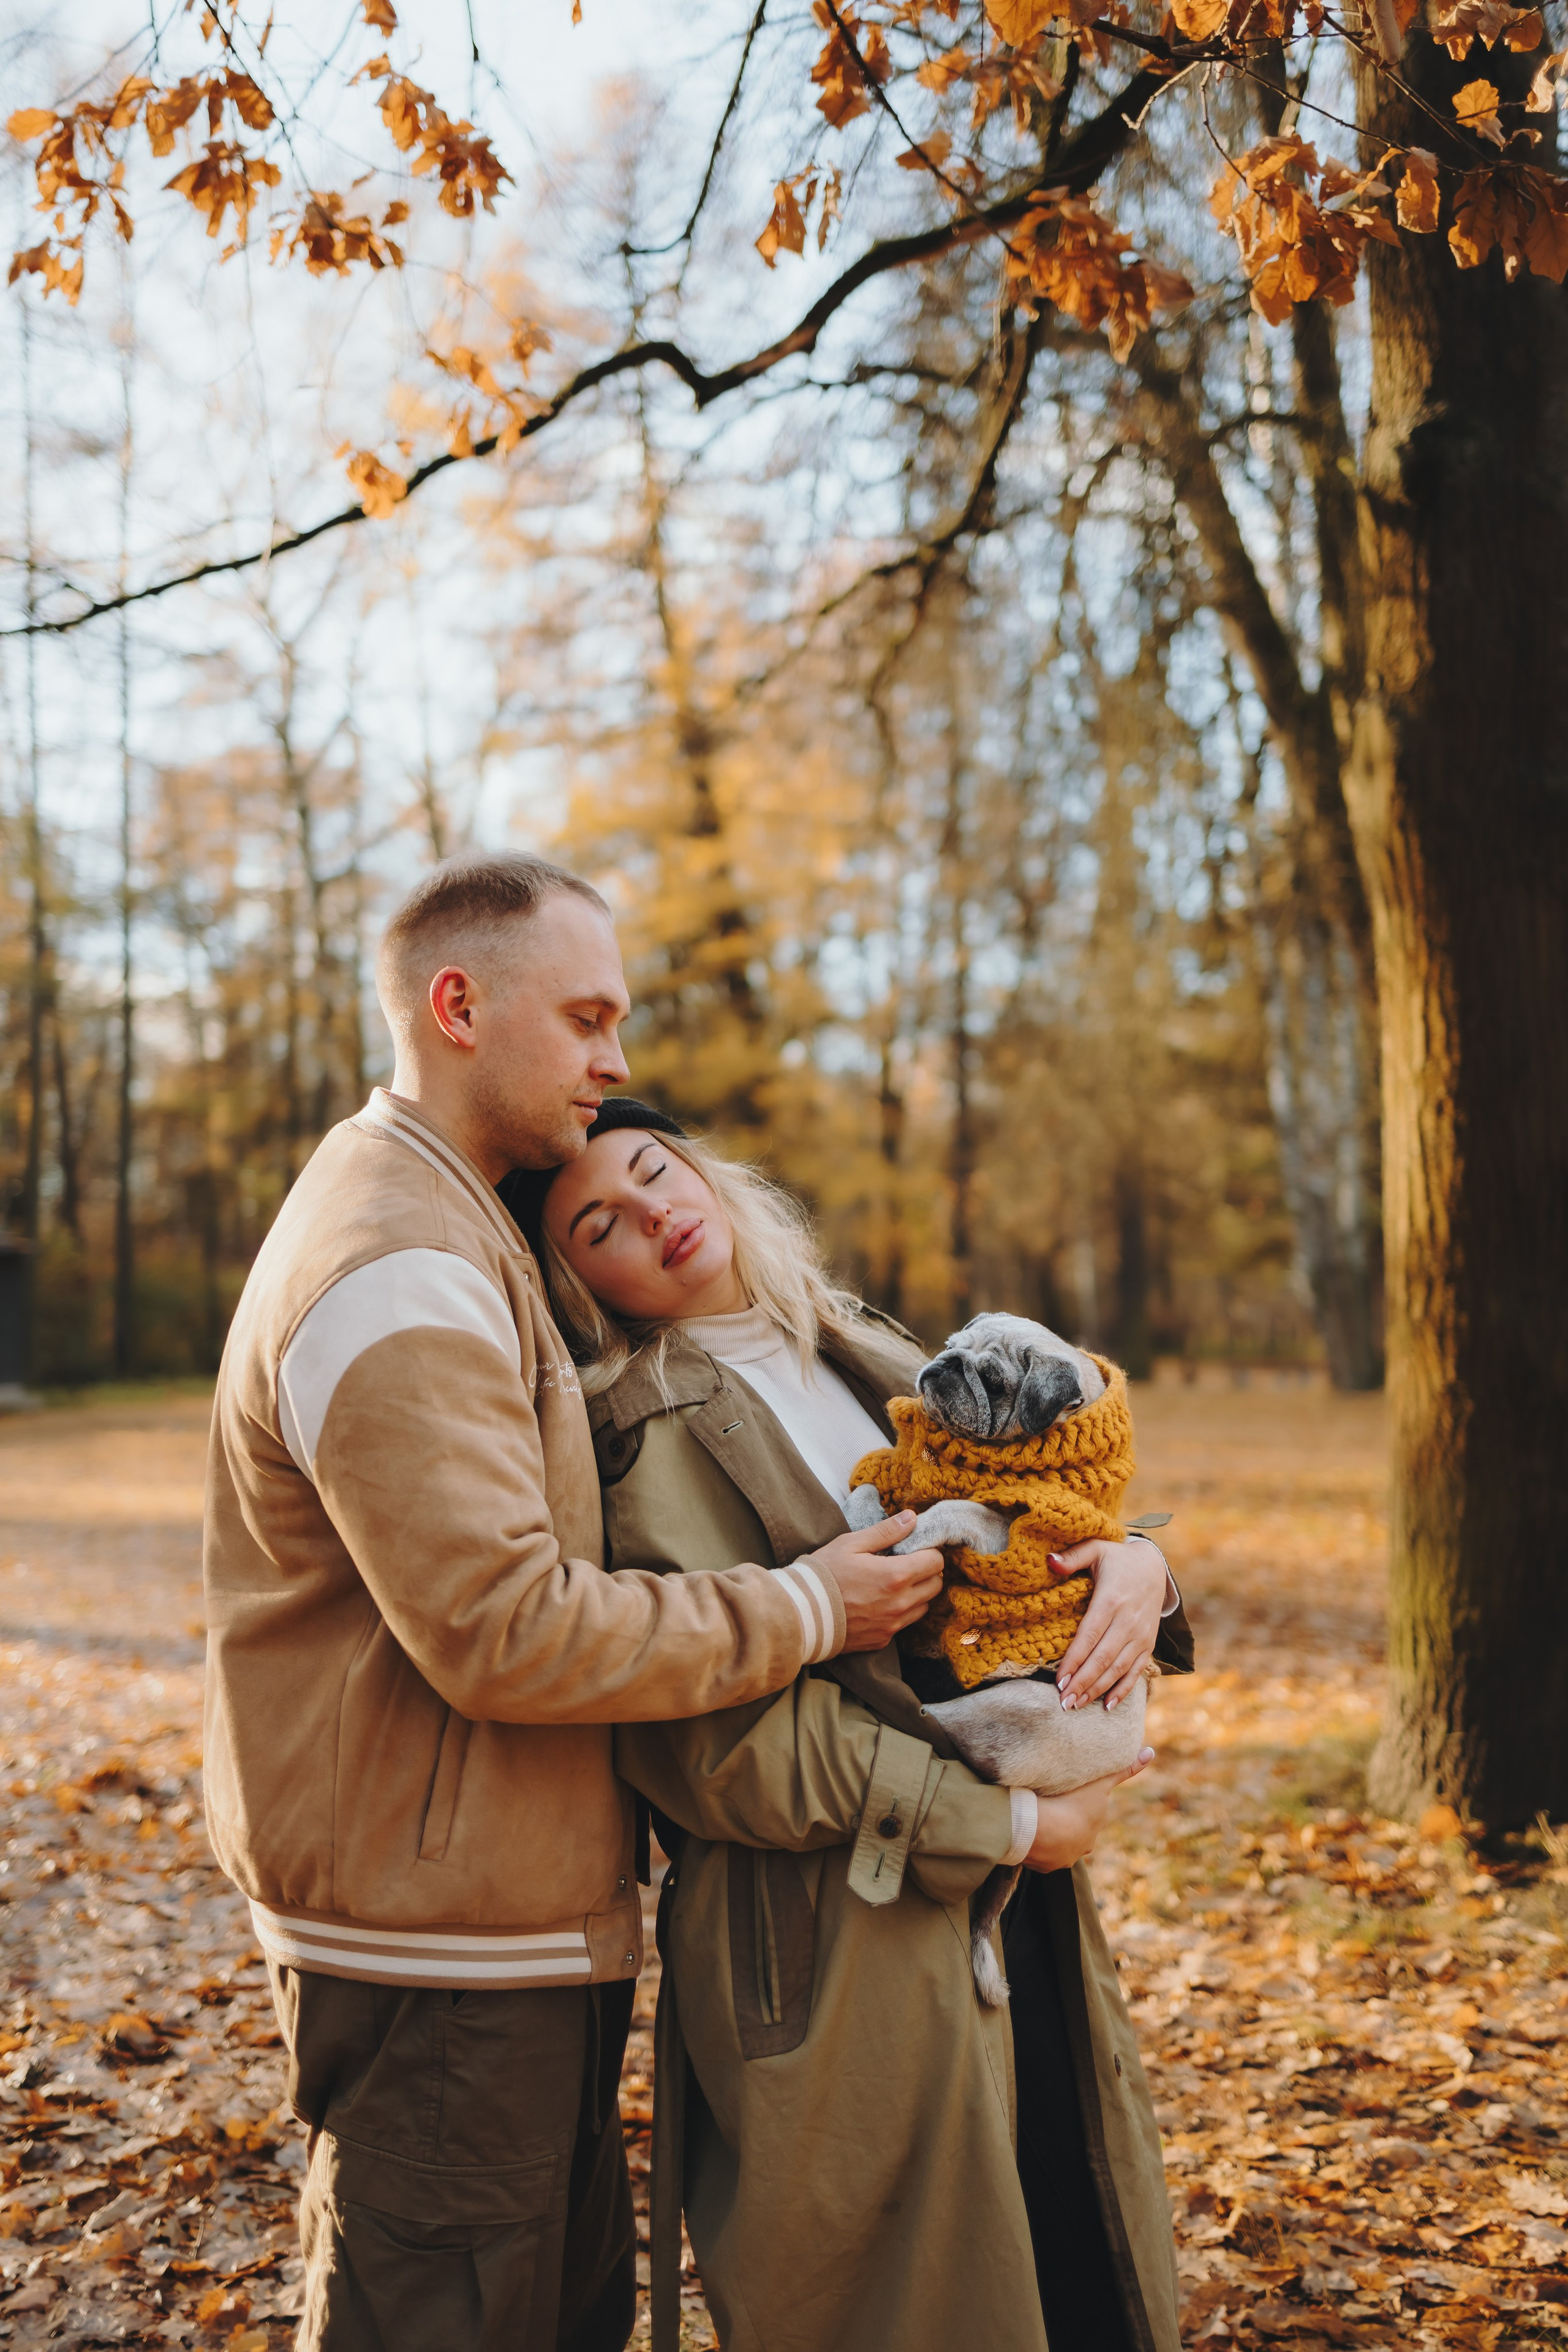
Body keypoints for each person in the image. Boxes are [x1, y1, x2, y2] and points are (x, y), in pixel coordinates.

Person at [202, 856, 949, 2352]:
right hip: (439, 1939)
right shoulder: (394, 1257)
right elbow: (503, 1628)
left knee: (545, 2311)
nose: (618, 1064)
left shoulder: (453, 1219)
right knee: (445, 2315)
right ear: (459, 1005)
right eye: (589, 1017)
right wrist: (806, 1607)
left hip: (497, 1913)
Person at [503, 1098, 1194, 2352]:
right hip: (836, 1937)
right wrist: (1004, 1819)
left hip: (1004, 1892)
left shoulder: (852, 1342)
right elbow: (707, 1750)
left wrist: (1134, 1570)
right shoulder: (634, 1444)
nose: (652, 1212)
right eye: (597, 1225)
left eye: (655, 1169)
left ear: (702, 1169)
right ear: (575, 1284)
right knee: (923, 2307)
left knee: (1072, 2262)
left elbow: (1026, 1516)